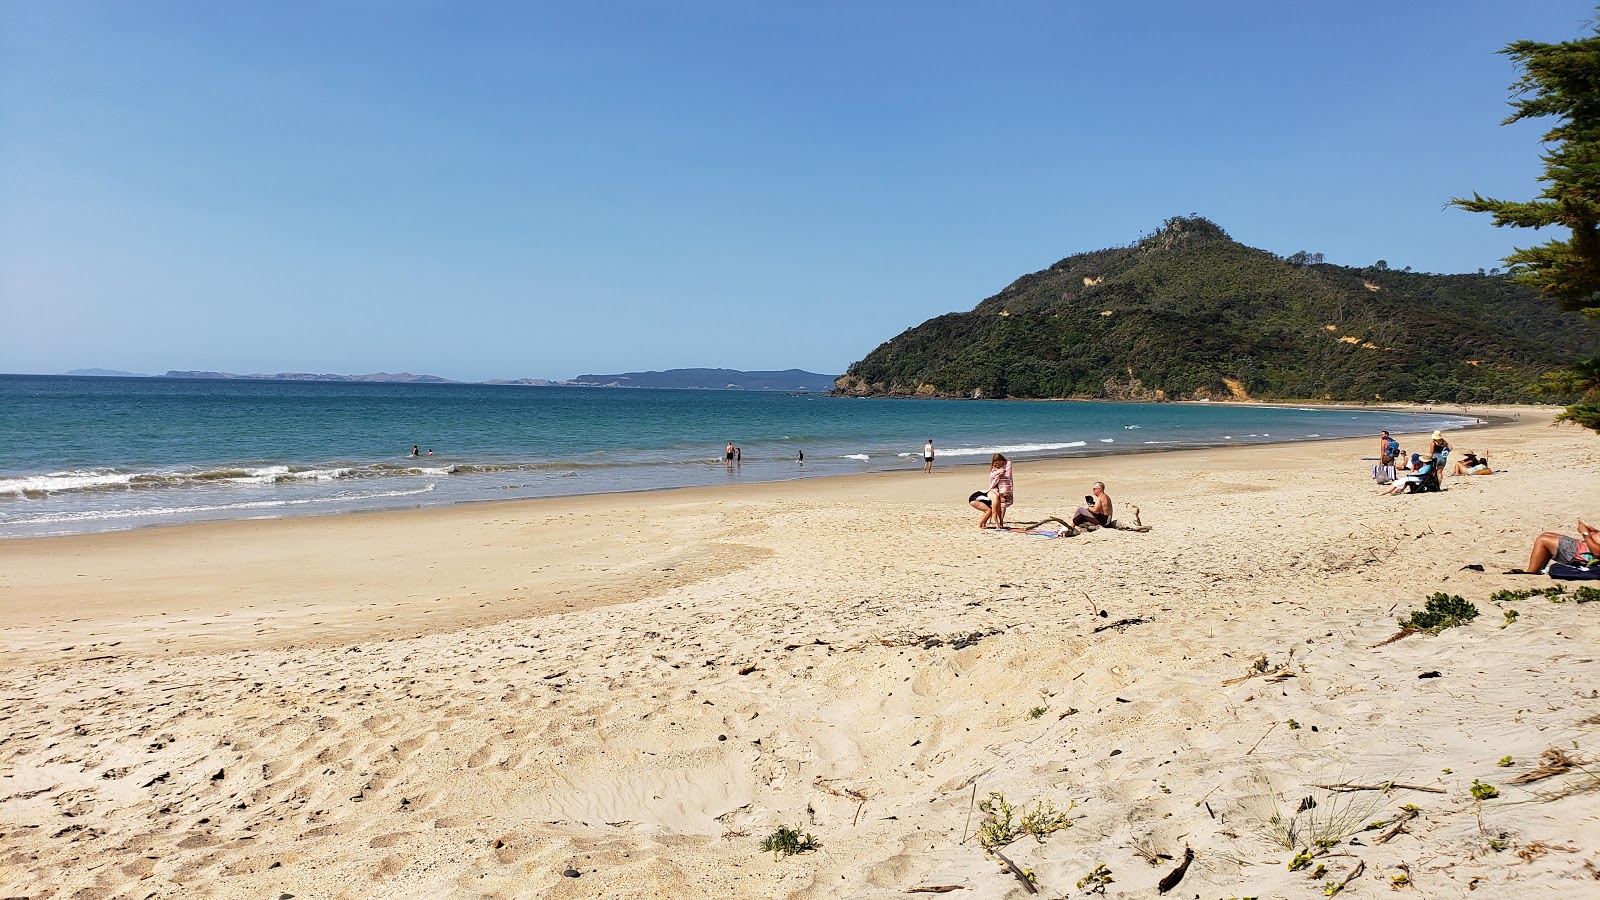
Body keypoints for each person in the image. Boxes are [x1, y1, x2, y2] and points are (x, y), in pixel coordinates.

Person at [1521, 520, 1600, 573]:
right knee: (1546, 535)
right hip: (1584, 545)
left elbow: (1597, 552)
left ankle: (1531, 572)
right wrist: (1595, 532)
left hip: (1583, 554)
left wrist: (1585, 533)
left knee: (1542, 540)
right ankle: (1537, 568)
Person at [985, 453, 1013, 528]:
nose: (998, 464)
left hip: (1005, 486)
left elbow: (1007, 474)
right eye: (996, 462)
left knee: (1003, 505)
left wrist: (1000, 472)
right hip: (996, 486)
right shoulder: (995, 466)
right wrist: (999, 472)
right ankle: (992, 519)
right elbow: (992, 475)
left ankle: (1001, 520)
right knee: (994, 503)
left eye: (999, 462)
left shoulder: (1008, 463)